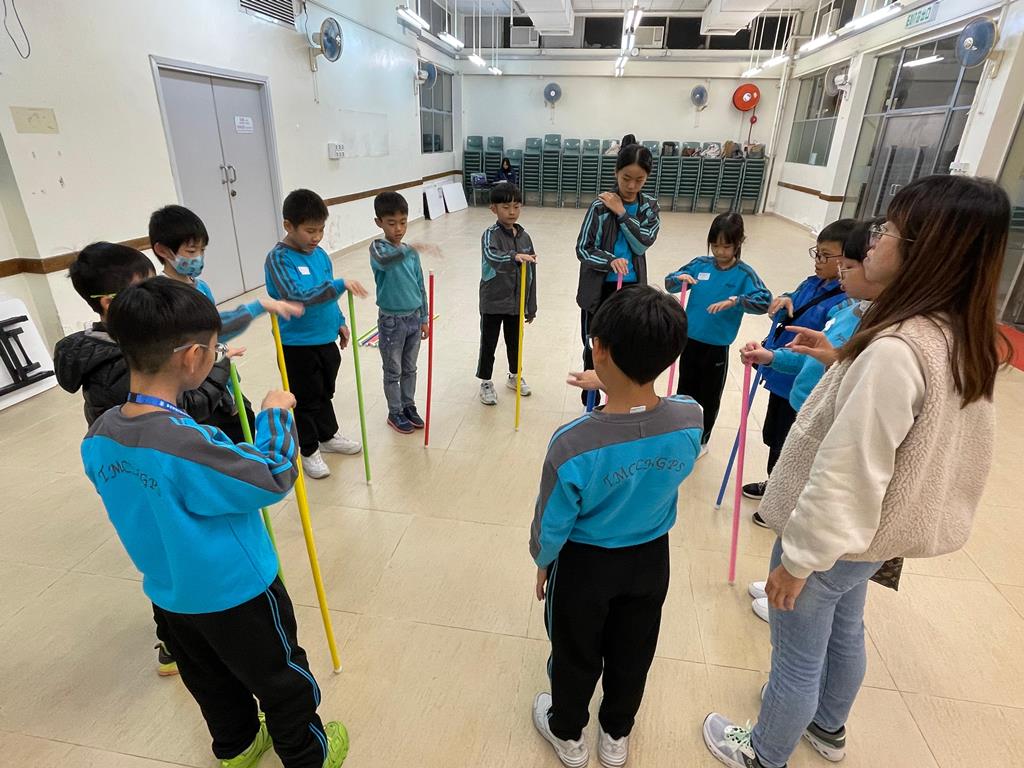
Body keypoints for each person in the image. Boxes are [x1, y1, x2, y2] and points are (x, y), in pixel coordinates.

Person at [702, 174, 1010, 768]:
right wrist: (845, 358)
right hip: (875, 536)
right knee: (845, 628)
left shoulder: (896, 350)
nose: (873, 241)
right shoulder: (953, 332)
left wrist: (797, 561)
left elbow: (847, 474)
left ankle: (764, 751)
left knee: (796, 657)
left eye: (889, 230)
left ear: (925, 250)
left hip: (833, 541)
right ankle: (827, 726)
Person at [82, 277, 348, 768]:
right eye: (214, 347)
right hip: (237, 592)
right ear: (192, 358)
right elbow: (272, 474)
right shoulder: (183, 443)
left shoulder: (99, 434)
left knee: (209, 681)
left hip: (171, 595)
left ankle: (237, 748)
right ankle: (308, 755)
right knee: (281, 679)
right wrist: (275, 415)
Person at [531, 285, 701, 768]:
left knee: (574, 651)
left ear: (598, 348)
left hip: (585, 565)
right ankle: (615, 734)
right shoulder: (690, 417)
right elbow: (645, 420)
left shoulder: (573, 442)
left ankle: (568, 732)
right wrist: (612, 382)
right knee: (634, 649)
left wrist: (543, 562)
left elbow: (553, 518)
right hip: (651, 559)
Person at [741, 218, 884, 622]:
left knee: (807, 508)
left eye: (849, 266)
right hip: (806, 408)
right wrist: (772, 356)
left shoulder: (875, 329)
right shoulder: (847, 310)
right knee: (789, 490)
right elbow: (814, 357)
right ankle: (782, 573)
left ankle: (791, 584)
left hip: (826, 424)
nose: (840, 274)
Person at [149, 204, 303, 443]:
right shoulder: (164, 295)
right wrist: (258, 307)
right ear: (162, 250)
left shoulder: (201, 286)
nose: (198, 257)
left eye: (202, 250)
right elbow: (213, 330)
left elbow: (214, 333)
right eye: (191, 251)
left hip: (223, 381)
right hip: (199, 392)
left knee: (246, 429)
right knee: (224, 444)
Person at [740, 219, 855, 505]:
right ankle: (774, 484)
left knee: (791, 441)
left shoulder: (845, 302)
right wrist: (783, 300)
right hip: (780, 373)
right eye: (817, 253)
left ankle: (784, 497)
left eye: (826, 256)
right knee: (774, 435)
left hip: (801, 381)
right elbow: (793, 303)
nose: (818, 261)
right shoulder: (811, 283)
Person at [264, 188, 369, 479]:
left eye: (321, 230)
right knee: (305, 397)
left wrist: (340, 321)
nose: (317, 237)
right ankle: (308, 449)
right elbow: (297, 294)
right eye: (310, 231)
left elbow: (328, 294)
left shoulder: (320, 255)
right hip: (297, 344)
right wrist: (338, 285)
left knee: (324, 392)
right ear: (288, 225)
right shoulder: (279, 259)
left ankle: (327, 435)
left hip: (325, 338)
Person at [665, 213, 770, 455]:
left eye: (726, 246)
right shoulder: (701, 264)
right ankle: (682, 432)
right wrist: (679, 279)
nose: (720, 252)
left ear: (738, 243)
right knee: (685, 389)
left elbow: (764, 301)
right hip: (689, 340)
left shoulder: (744, 274)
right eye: (715, 246)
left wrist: (736, 301)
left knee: (709, 396)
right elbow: (670, 283)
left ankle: (702, 440)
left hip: (717, 347)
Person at [575, 134, 660, 406]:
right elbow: (583, 248)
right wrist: (610, 260)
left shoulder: (649, 207)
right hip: (599, 290)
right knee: (596, 345)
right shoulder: (600, 206)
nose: (632, 186)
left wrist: (622, 213)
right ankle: (590, 401)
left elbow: (642, 243)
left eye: (639, 180)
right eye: (626, 178)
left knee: (626, 345)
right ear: (616, 172)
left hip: (632, 289)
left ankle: (620, 399)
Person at [369, 191, 429, 434]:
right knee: (393, 370)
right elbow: (386, 262)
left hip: (413, 318)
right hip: (391, 321)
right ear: (379, 222)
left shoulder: (410, 252)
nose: (398, 229)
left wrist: (424, 317)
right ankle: (394, 411)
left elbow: (420, 285)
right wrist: (408, 250)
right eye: (391, 223)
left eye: (403, 222)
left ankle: (408, 405)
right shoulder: (378, 248)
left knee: (410, 368)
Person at [476, 181, 537, 406]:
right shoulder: (490, 235)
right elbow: (492, 256)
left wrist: (531, 305)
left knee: (515, 342)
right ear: (493, 209)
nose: (512, 212)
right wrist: (514, 256)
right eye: (506, 207)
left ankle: (514, 375)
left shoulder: (525, 237)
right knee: (489, 343)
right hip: (492, 301)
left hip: (516, 303)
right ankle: (485, 382)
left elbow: (531, 274)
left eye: (516, 206)